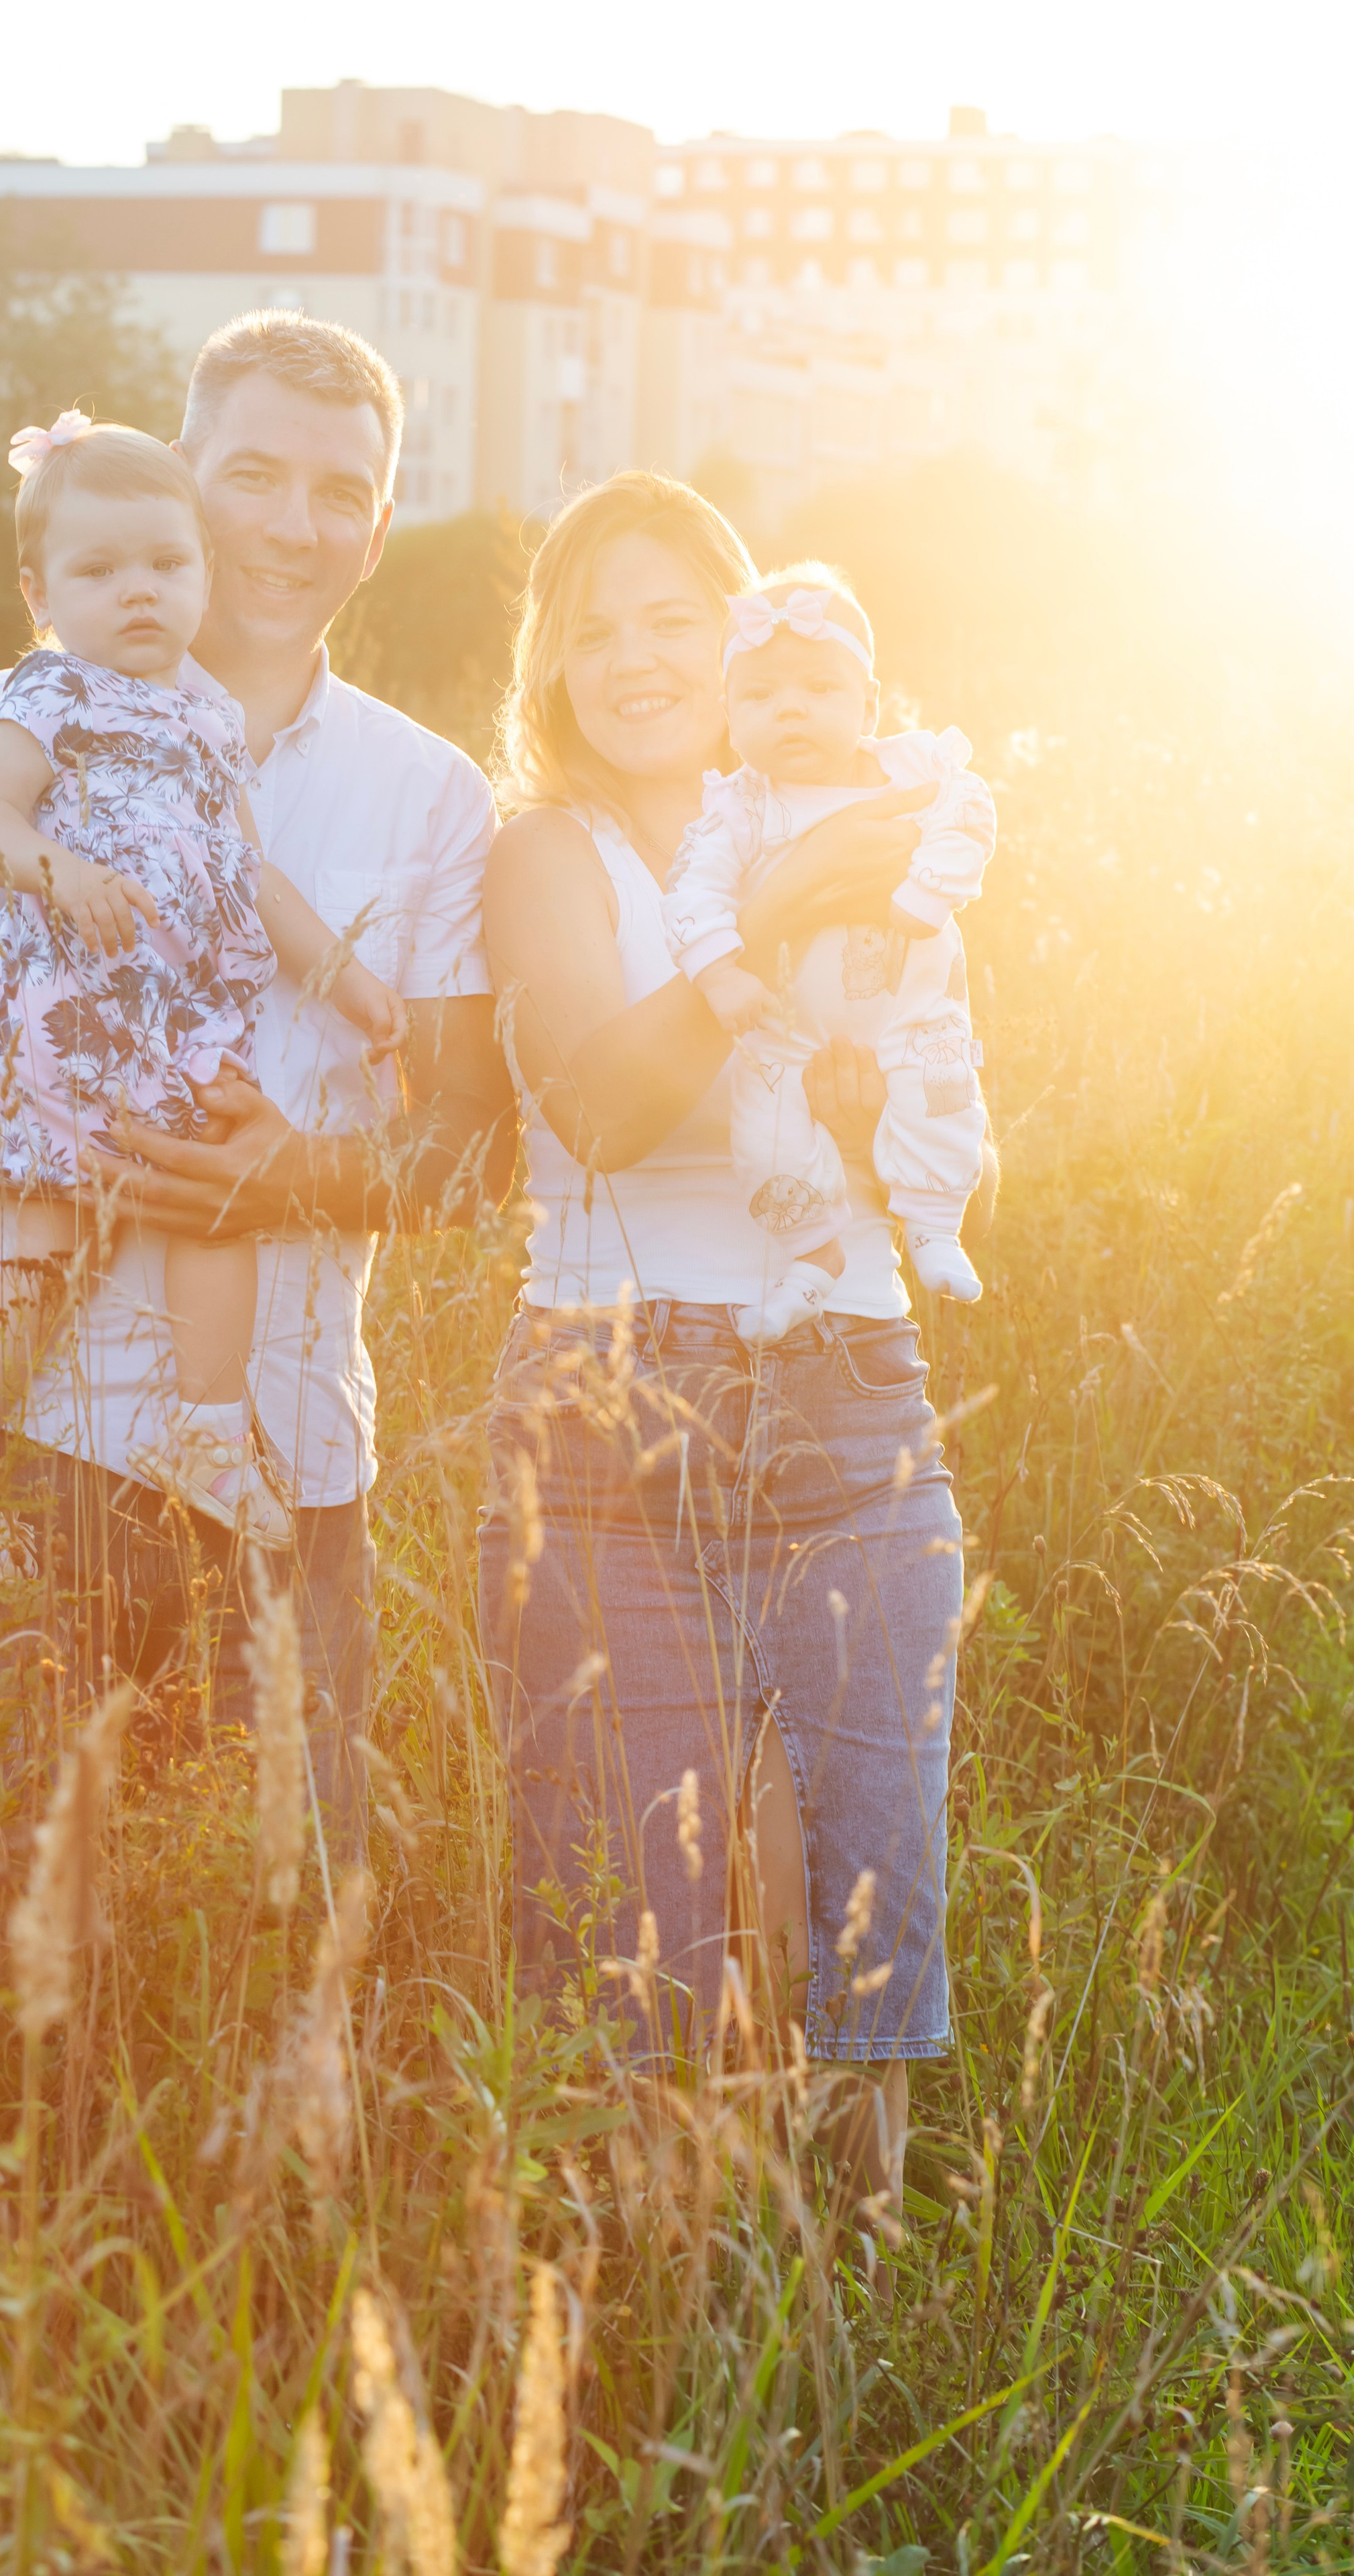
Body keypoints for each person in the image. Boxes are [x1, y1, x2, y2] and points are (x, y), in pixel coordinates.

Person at [0, 313, 516, 1842]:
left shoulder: (431, 794)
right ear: (181, 477)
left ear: (379, 530)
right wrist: (81, 1158)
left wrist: (294, 1177)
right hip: (21, 1459)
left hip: (287, 1477)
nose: (289, 524)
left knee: (280, 1944)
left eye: (338, 492)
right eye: (249, 472)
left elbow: (470, 1143)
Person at [477, 471, 997, 2213]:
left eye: (674, 618)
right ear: (551, 665)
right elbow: (603, 1105)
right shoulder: (551, 854)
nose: (634, 659)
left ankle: (849, 2323)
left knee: (871, 1901)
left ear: (752, 630)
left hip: (854, 1375)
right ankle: (656, 2325)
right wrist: (768, 927)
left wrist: (873, 1096)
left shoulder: (863, 813)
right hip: (624, 1391)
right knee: (644, 1935)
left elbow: (938, 1069)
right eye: (594, 628)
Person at [0, 410, 402, 1540]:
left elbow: (252, 871)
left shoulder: (207, 718)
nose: (139, 591)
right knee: (55, 1243)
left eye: (166, 565)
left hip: (172, 1019)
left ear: (203, 573)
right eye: (100, 569)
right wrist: (55, 869)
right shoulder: (51, 694)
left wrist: (352, 986)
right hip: (70, 1010)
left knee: (198, 1209)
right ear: (40, 591)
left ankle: (199, 1431)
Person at [661, 565, 996, 1338]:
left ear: (868, 704)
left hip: (911, 1007)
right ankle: (812, 1252)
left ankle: (934, 1225)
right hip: (785, 1019)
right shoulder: (741, 806)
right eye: (760, 696)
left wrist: (929, 889)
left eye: (818, 689)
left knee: (942, 1094)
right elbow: (692, 893)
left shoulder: (910, 769)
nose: (790, 711)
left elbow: (971, 812)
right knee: (763, 1138)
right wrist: (719, 976)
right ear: (728, 713)